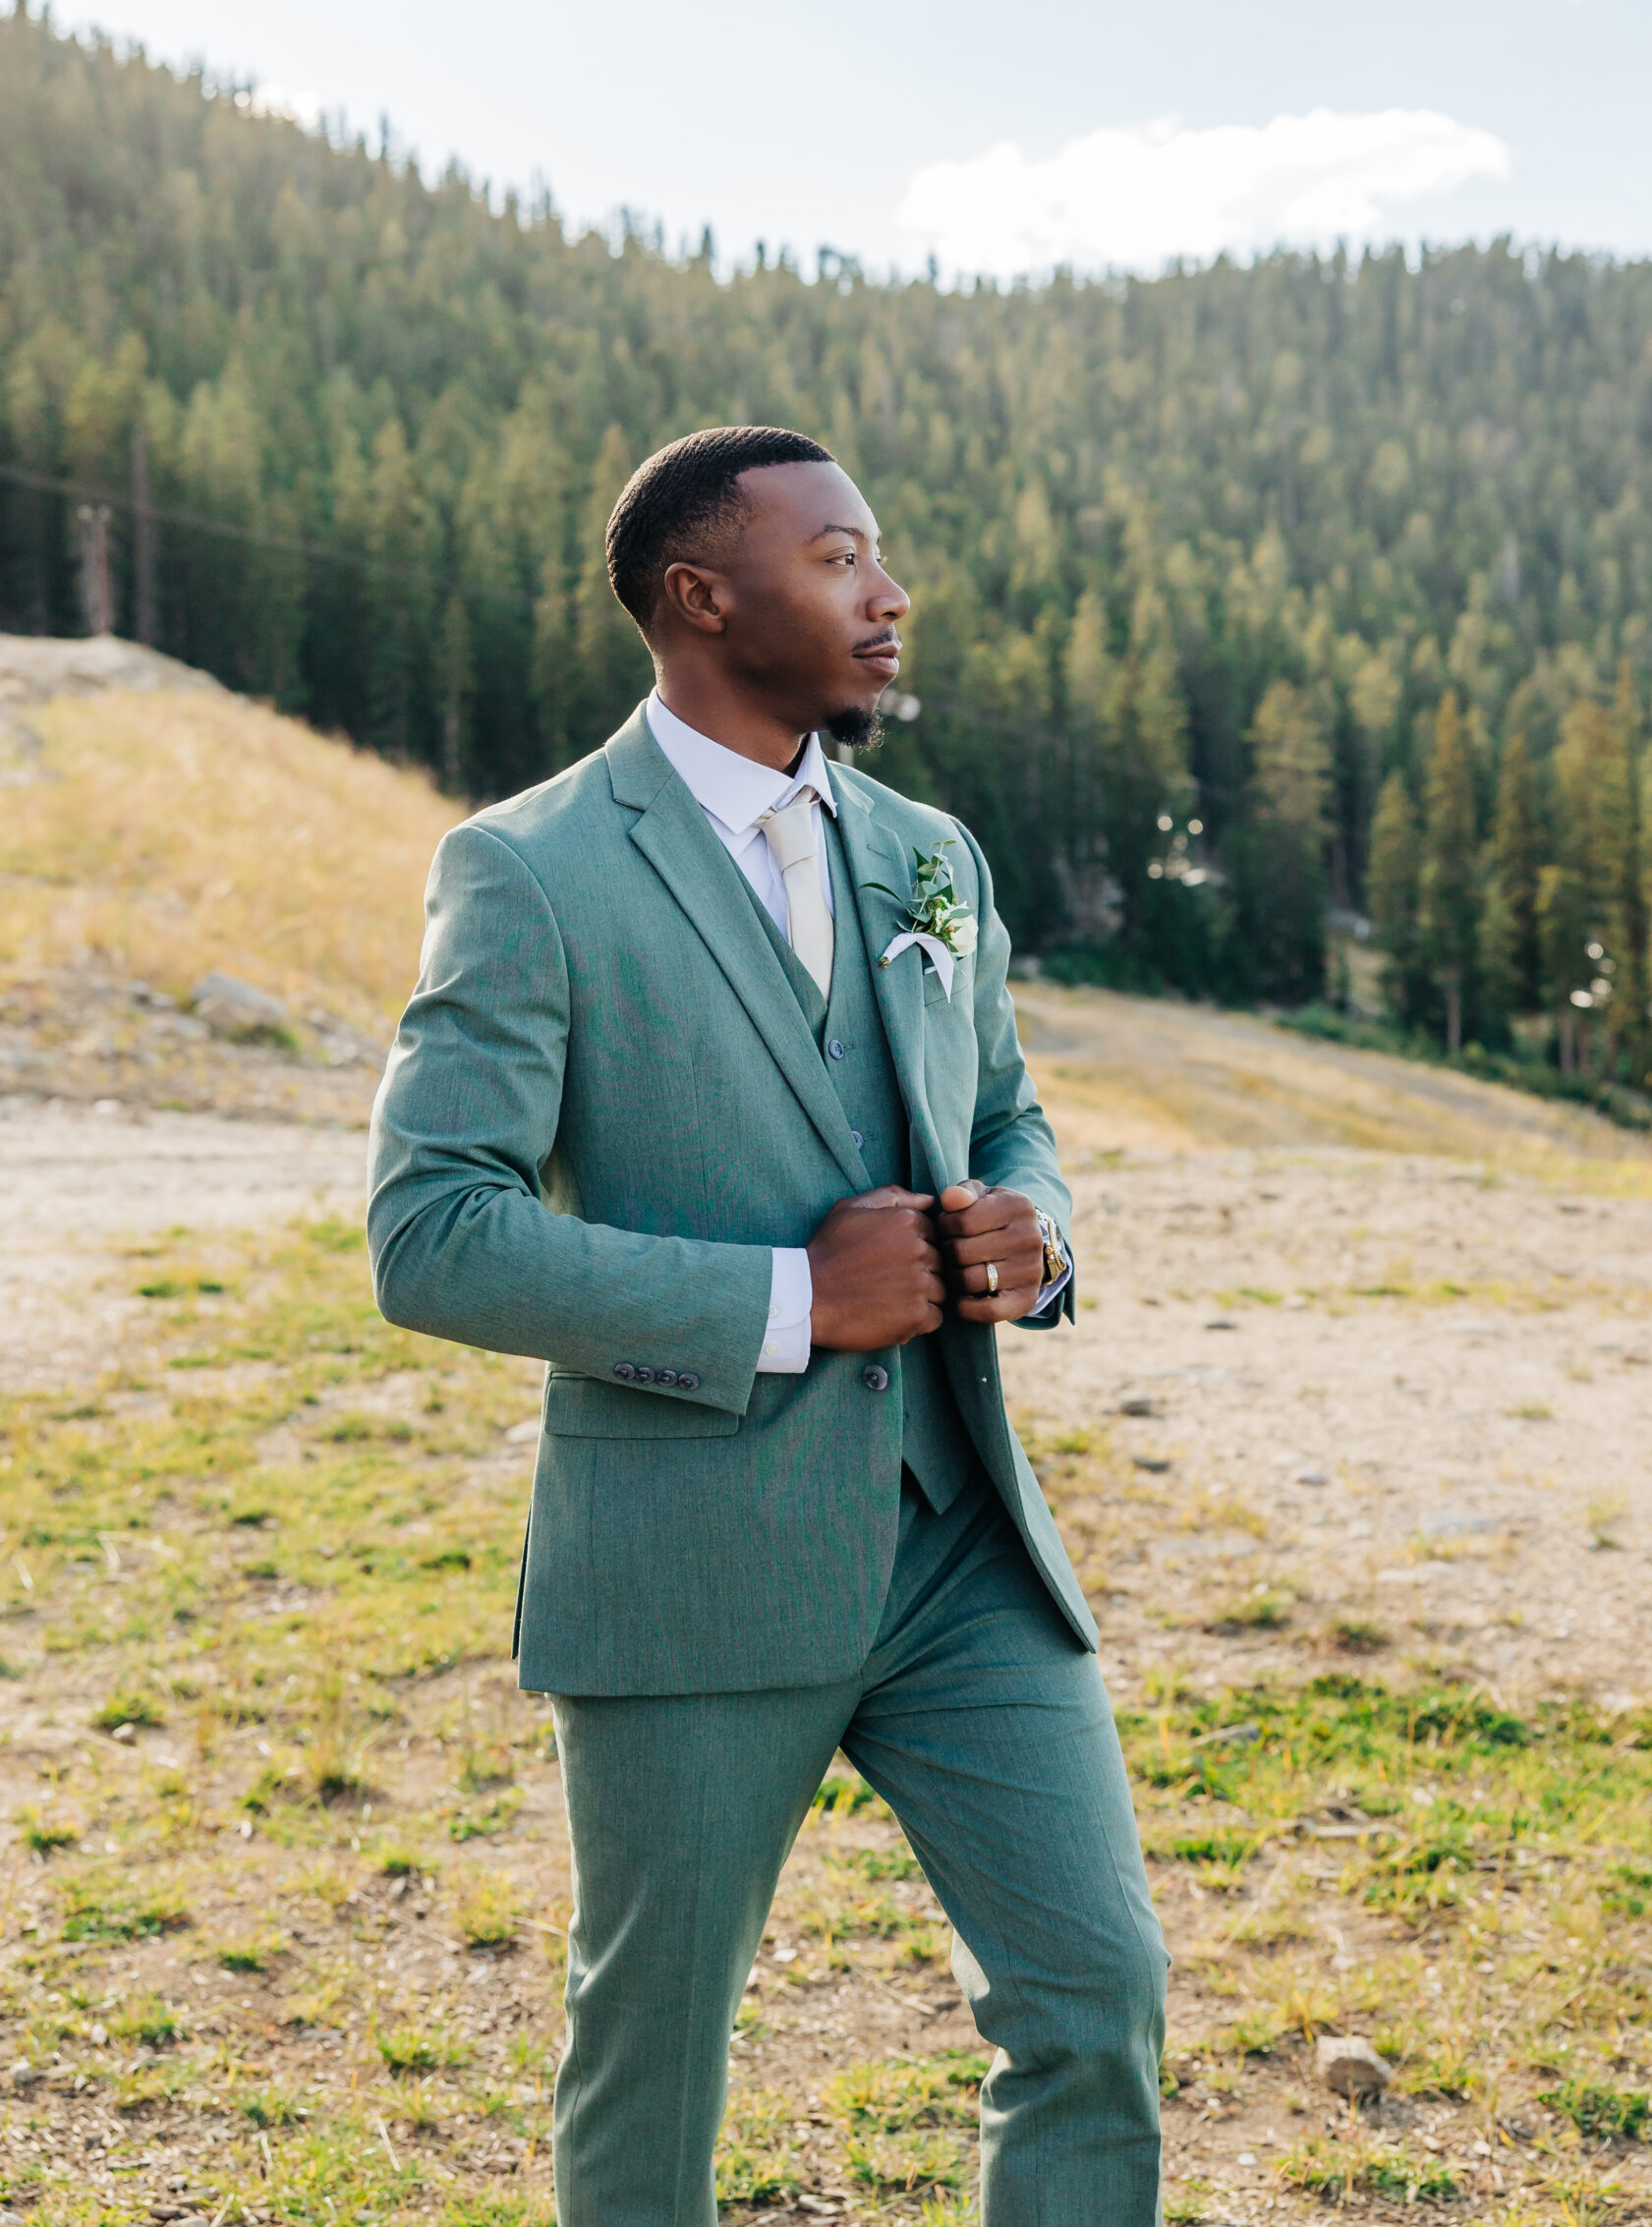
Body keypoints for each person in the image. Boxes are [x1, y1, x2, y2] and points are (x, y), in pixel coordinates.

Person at [368, 427, 1168, 2227]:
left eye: (880, 554)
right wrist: (797, 1299)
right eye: (837, 559)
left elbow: (1009, 1109)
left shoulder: (927, 854)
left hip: (965, 1550)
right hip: (690, 1560)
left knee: (1097, 2000)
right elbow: (432, 1237)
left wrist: (1029, 1238)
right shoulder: (532, 869)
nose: (887, 595)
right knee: (654, 2055)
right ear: (699, 597)